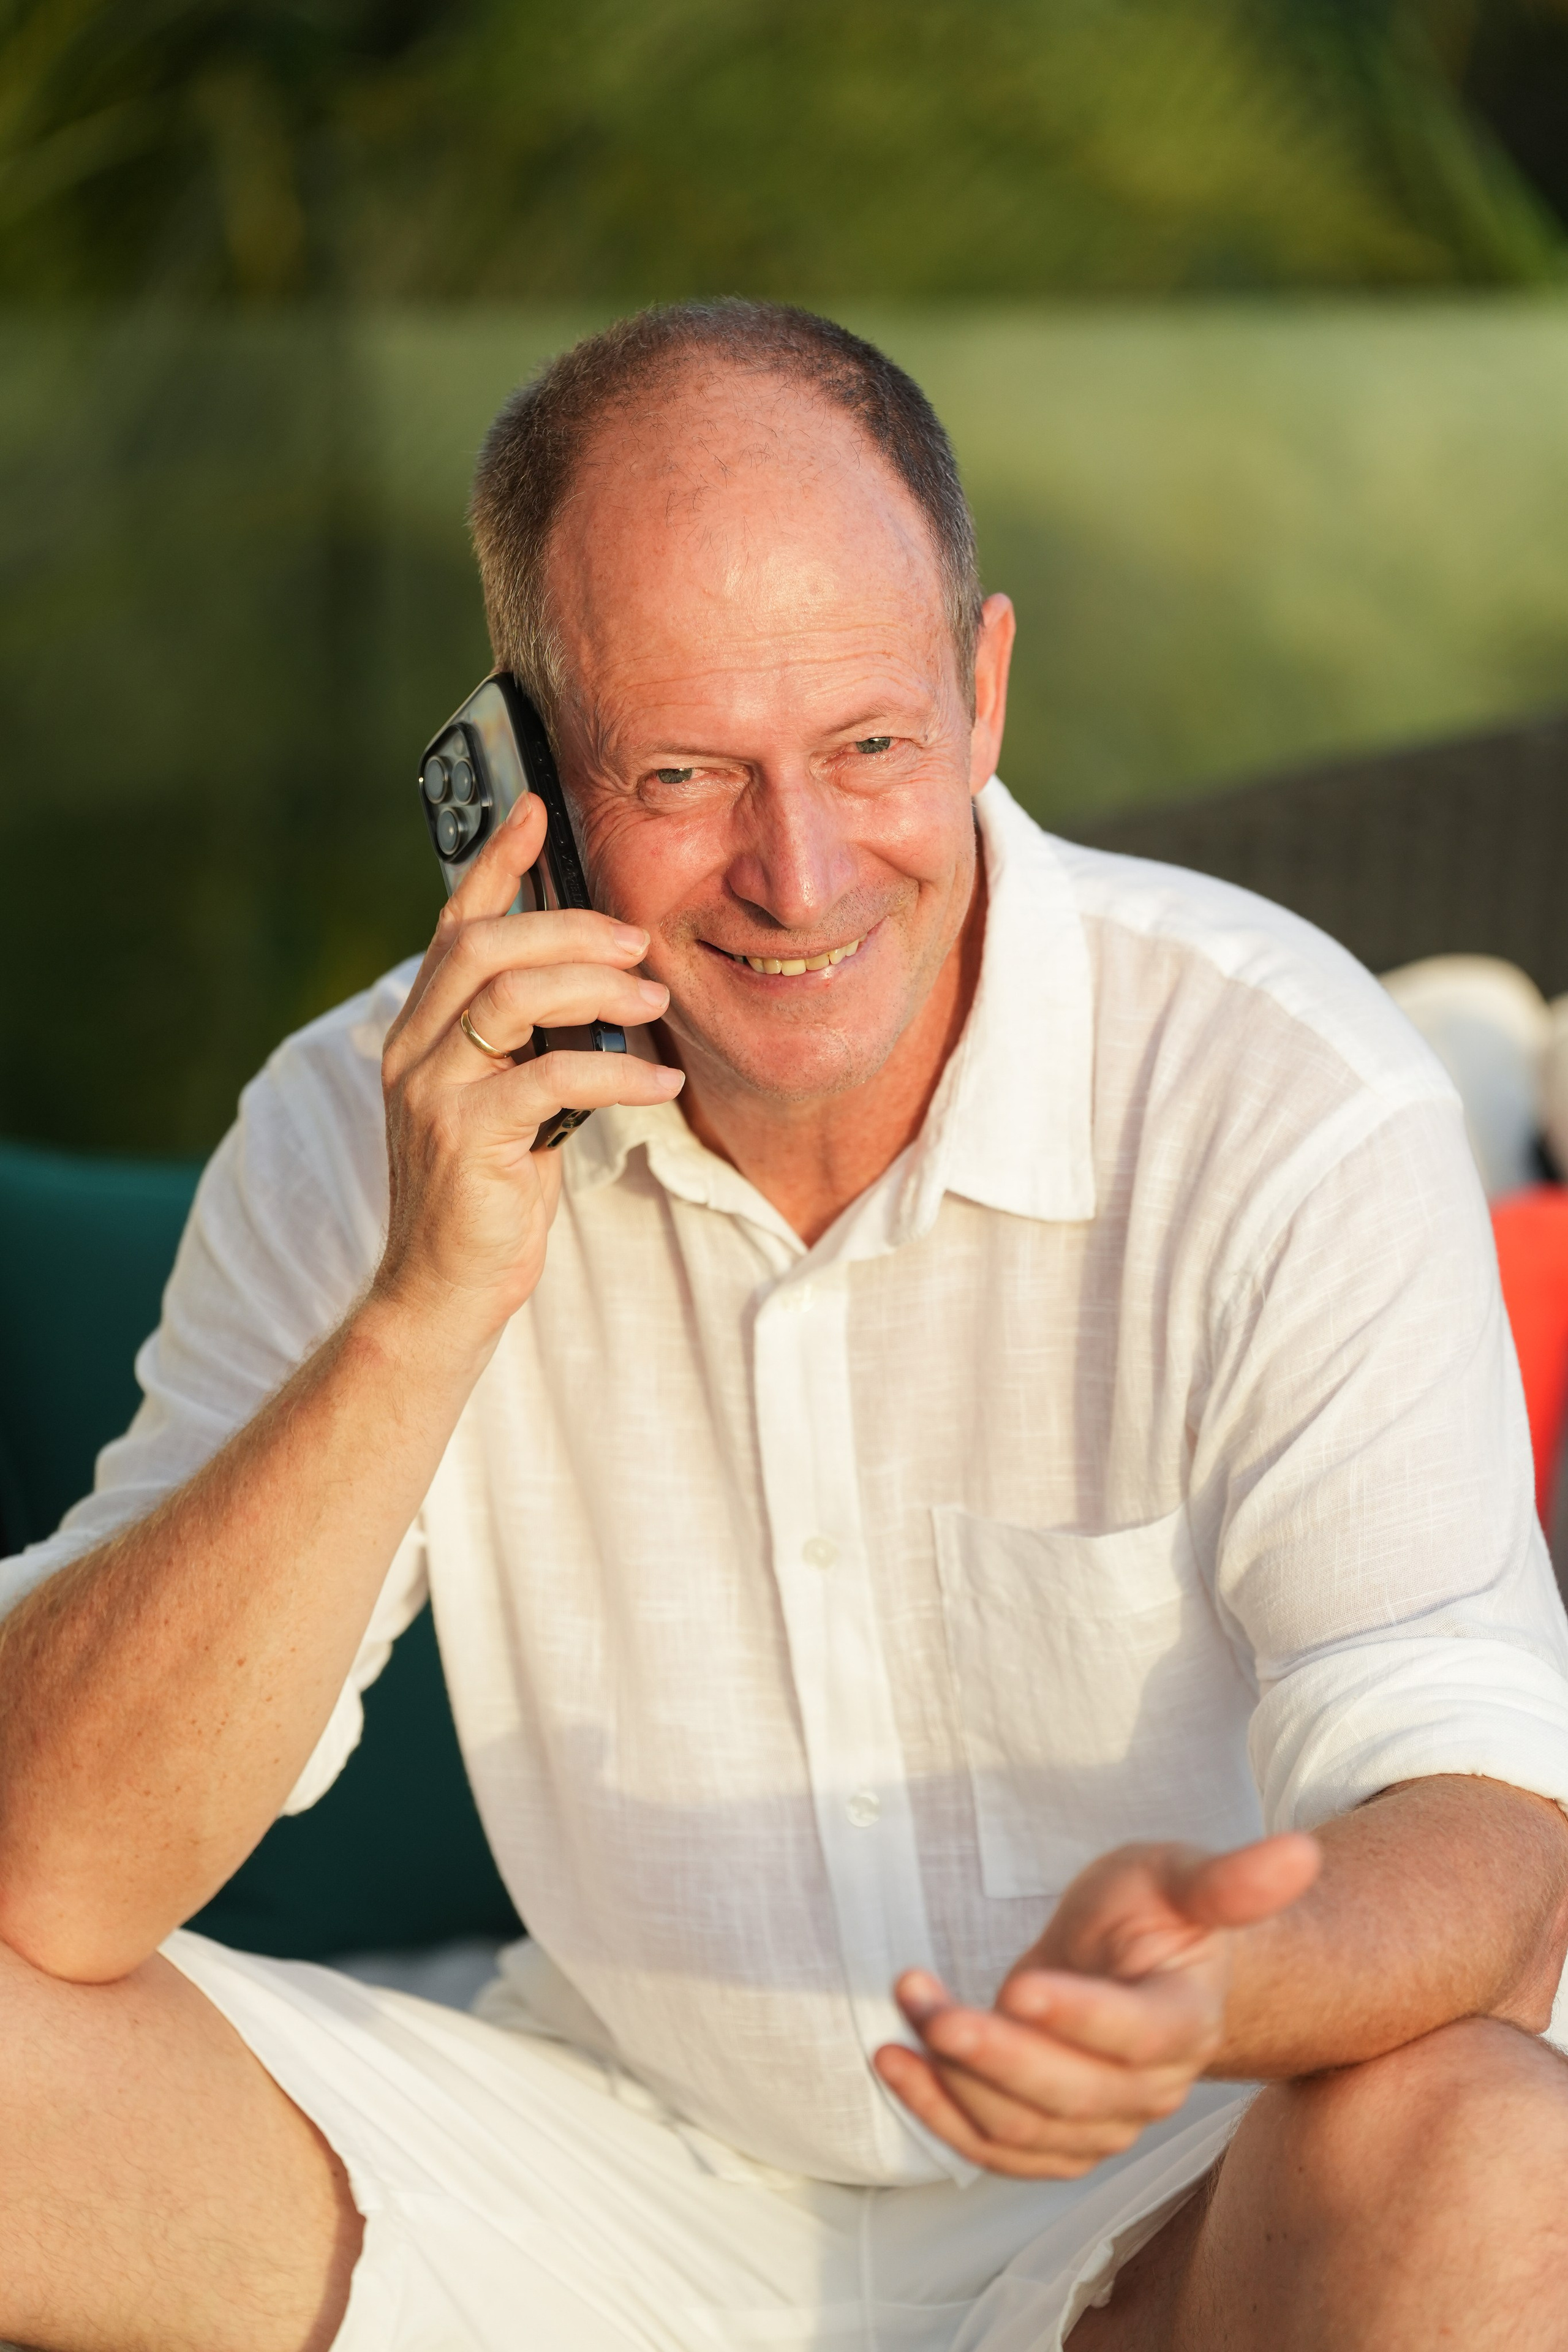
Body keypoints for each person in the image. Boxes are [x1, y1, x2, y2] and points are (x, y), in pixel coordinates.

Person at [2, 300, 1568, 2352]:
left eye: (870, 747)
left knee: (1484, 2148)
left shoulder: (1275, 1086)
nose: (801, 872)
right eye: (681, 772)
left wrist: (1209, 1995)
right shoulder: (359, 1129)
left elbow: (1493, 1827)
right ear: (526, 776)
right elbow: (52, 1876)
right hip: (616, 2190)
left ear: (985, 691)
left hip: (1177, 2188)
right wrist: (426, 1305)